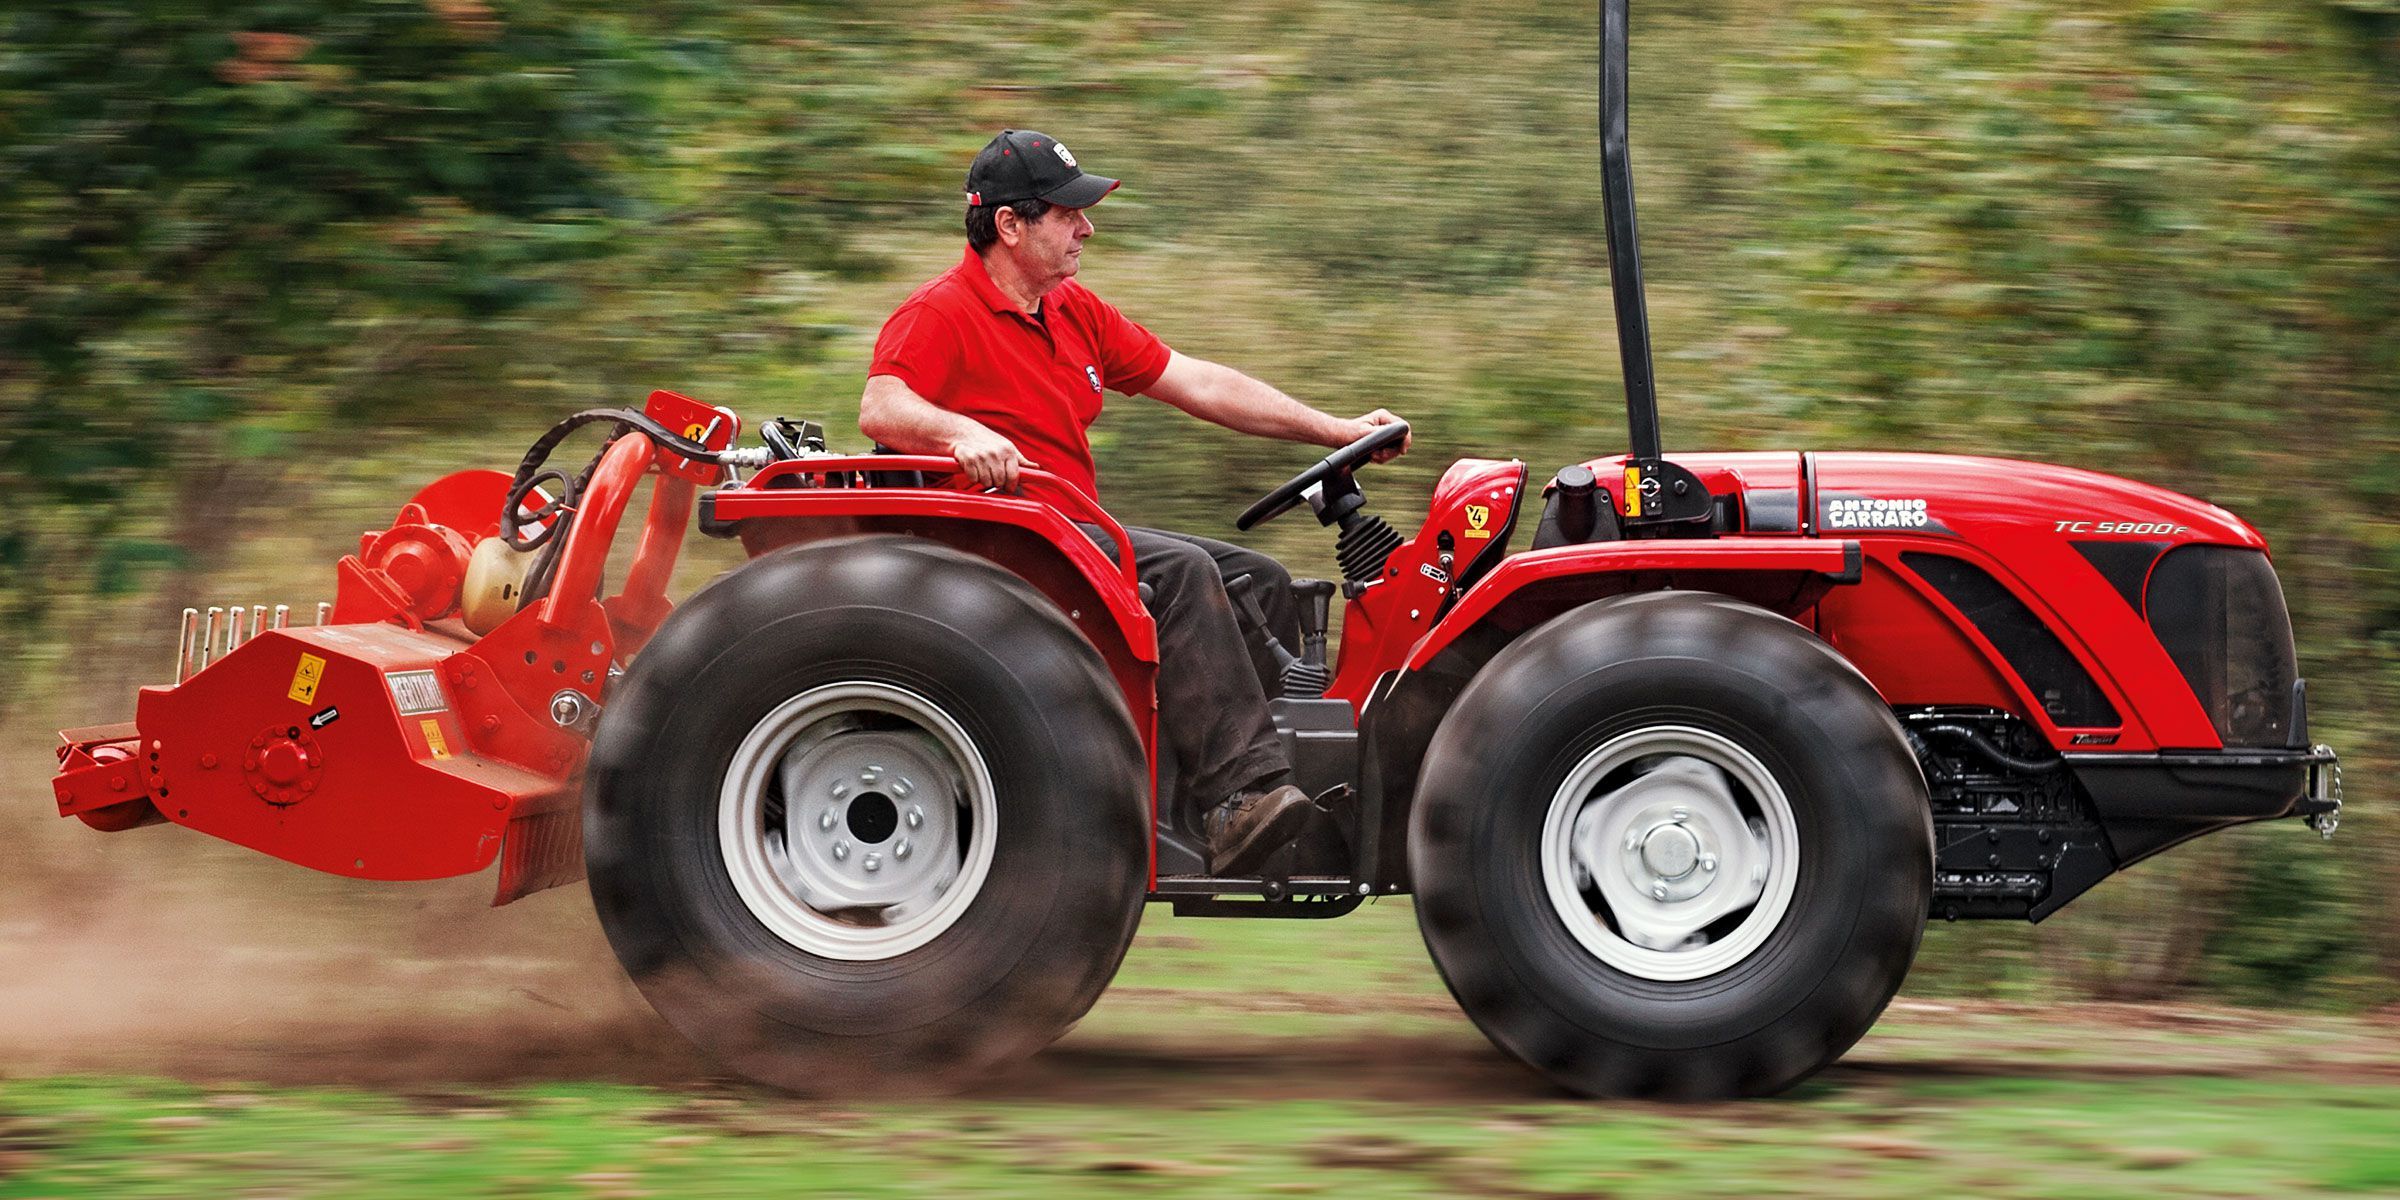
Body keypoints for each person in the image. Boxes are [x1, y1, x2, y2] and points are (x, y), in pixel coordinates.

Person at [860, 129, 1408, 875]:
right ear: (1010, 225)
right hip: (1008, 550)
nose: (1086, 227)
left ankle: (1281, 806)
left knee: (1259, 579)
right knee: (1182, 575)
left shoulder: (1072, 311)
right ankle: (1233, 800)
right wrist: (961, 433)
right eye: (1066, 213)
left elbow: (1199, 383)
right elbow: (883, 405)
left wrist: (1335, 427)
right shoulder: (940, 312)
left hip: (1073, 533)